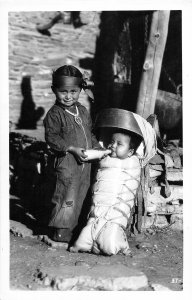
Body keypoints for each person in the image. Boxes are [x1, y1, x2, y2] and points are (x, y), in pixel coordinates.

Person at [43, 65, 101, 244]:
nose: (68, 96)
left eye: (73, 91)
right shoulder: (55, 114)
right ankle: (61, 231)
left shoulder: (82, 111)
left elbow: (89, 133)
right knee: (66, 195)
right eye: (63, 92)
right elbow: (52, 137)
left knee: (83, 193)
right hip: (67, 163)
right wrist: (71, 148)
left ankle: (77, 229)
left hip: (85, 164)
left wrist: (97, 147)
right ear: (55, 90)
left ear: (80, 90)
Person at [69, 129, 143, 255]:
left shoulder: (132, 163)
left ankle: (120, 246)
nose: (113, 146)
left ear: (130, 152)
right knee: (80, 241)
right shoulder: (105, 158)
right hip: (96, 215)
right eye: (112, 142)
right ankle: (88, 245)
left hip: (114, 218)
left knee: (109, 246)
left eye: (119, 144)